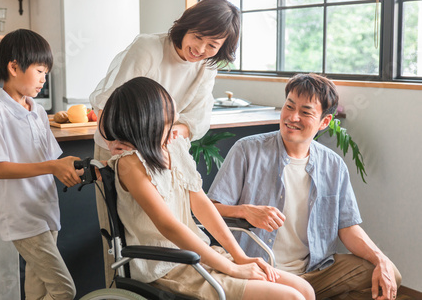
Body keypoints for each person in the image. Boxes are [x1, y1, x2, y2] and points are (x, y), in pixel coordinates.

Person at [100, 76, 315, 300]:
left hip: (200, 255)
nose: (173, 107)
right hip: (166, 267)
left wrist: (238, 257)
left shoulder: (174, 146)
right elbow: (168, 227)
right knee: (292, 298)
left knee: (305, 290)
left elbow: (202, 204)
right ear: (148, 118)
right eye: (166, 104)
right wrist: (231, 268)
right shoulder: (129, 163)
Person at [207, 73, 402, 300]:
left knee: (388, 275)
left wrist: (380, 259)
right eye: (289, 106)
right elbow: (208, 210)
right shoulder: (247, 150)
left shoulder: (333, 164)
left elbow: (348, 227)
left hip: (316, 270)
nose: (293, 117)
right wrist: (244, 210)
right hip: (261, 268)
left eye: (306, 112)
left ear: (324, 122)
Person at [89, 0, 241, 286]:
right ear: (185, 26)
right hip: (122, 146)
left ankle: (181, 272)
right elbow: (113, 103)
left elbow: (195, 120)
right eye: (198, 38)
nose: (201, 50)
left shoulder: (206, 65)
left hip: (165, 147)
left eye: (213, 45)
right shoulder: (148, 48)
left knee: (172, 225)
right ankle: (119, 289)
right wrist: (118, 141)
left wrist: (174, 131)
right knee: (118, 234)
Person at [0, 29, 81, 300]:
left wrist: (70, 167)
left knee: (37, 291)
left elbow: (50, 160)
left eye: (46, 73)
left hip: (46, 212)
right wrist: (53, 167)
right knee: (64, 291)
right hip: (22, 216)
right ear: (14, 67)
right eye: (39, 71)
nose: (43, 79)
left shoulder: (36, 111)